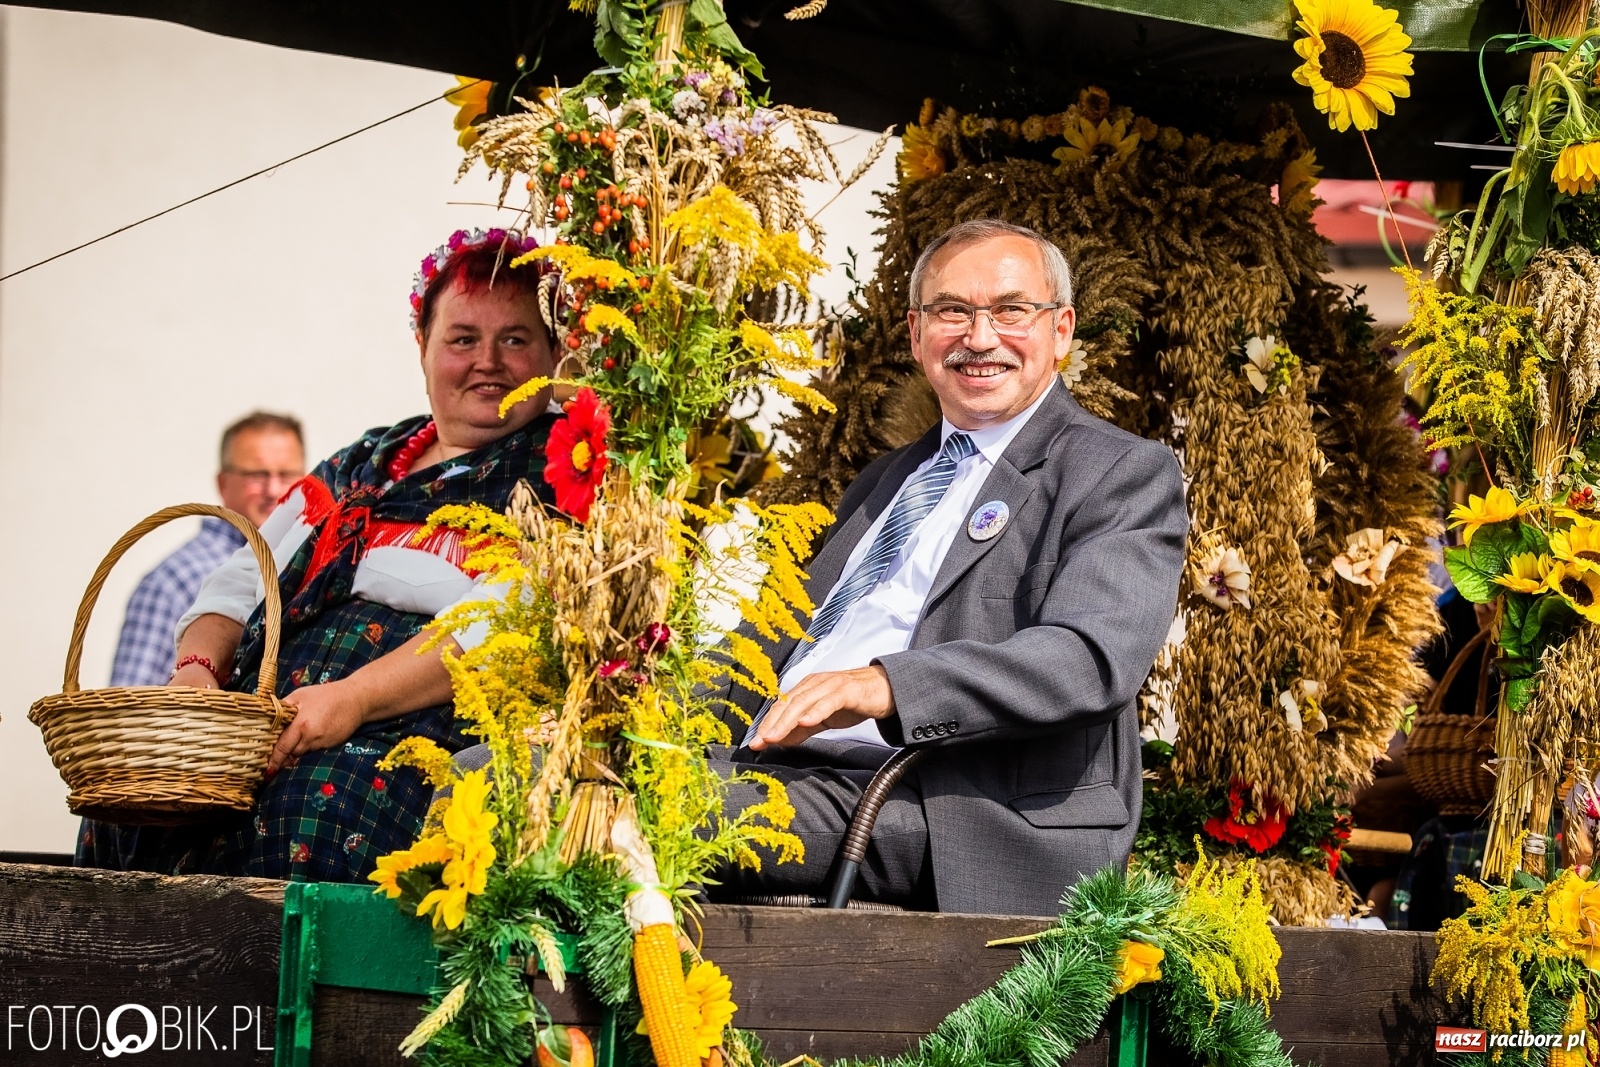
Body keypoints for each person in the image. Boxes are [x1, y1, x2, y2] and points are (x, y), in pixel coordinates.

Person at [708, 219, 1189, 916]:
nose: (980, 336)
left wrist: (888, 686)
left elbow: (1088, 659)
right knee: (559, 775)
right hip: (782, 770)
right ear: (916, 334)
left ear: (1061, 330)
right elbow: (768, 639)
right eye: (953, 311)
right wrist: (635, 697)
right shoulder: (887, 479)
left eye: (1011, 310)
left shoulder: (1117, 471)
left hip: (951, 804)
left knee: (651, 813)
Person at [76, 229, 564, 882]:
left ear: (555, 353)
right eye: (463, 339)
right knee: (133, 797)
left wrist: (354, 698)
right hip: (270, 716)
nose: (488, 362)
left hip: (406, 734)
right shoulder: (361, 462)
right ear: (422, 346)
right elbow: (242, 578)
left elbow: (507, 621)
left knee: (316, 802)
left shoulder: (567, 470)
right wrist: (196, 671)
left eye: (516, 339)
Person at [106, 412, 305, 688]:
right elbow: (129, 702)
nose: (273, 489)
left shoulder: (312, 565)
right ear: (223, 484)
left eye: (286, 475)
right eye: (257, 475)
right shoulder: (171, 581)